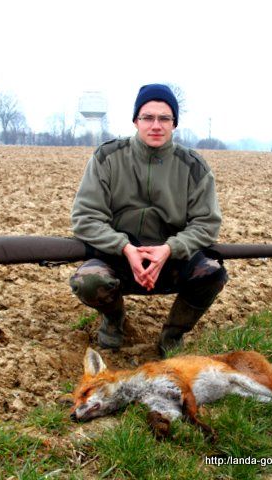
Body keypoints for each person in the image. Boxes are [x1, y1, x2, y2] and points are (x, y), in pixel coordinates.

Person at [70, 83, 228, 356]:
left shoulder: (193, 166)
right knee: (88, 281)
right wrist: (124, 248)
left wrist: (169, 249)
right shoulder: (107, 157)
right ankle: (113, 320)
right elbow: (85, 217)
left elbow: (207, 223)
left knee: (212, 273)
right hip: (117, 258)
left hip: (171, 260)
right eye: (148, 117)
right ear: (136, 121)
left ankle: (172, 335)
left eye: (164, 118)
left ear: (174, 124)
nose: (156, 125)